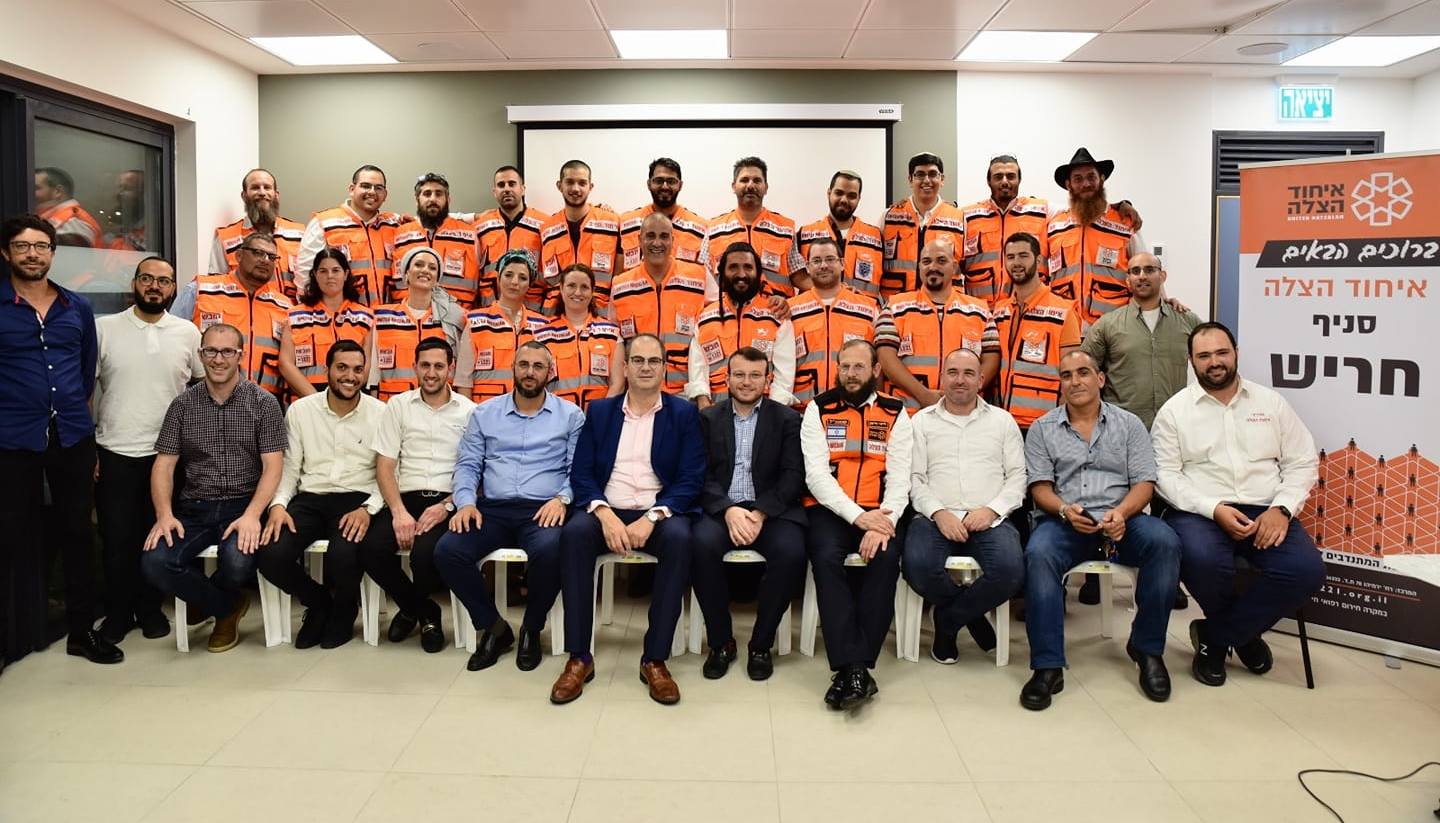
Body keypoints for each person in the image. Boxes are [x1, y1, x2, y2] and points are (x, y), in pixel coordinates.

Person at [1152, 322, 1324, 688]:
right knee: (1202, 560)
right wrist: (1213, 508)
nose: (1214, 362)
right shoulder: (1174, 412)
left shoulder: (1271, 403)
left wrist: (1282, 509)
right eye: (1204, 356)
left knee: (1305, 571)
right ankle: (1243, 636)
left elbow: (1302, 461)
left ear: (1236, 354)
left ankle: (1217, 638)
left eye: (1221, 352)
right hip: (1200, 512)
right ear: (1191, 361)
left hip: (1266, 509)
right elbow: (1165, 476)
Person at [1020, 350, 1181, 709]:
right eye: (1066, 376)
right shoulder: (1043, 428)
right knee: (1038, 553)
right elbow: (1040, 487)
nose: (1075, 381)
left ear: (1100, 379)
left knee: (1165, 542)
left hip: (1123, 520)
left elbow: (1145, 483)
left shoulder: (1129, 425)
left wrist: (1121, 513)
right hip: (1066, 521)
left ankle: (1147, 649)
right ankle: (1048, 665)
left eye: (1083, 373)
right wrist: (1064, 509)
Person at [549, 334, 703, 706]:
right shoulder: (601, 412)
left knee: (681, 539)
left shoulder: (683, 414)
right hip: (608, 509)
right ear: (625, 367)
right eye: (638, 360)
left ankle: (655, 659)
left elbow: (691, 478)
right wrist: (604, 514)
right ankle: (579, 657)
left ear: (665, 368)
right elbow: (582, 473)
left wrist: (652, 517)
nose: (646, 367)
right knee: (574, 534)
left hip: (658, 511)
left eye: (654, 361)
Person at [0, 214, 117, 670]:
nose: (32, 254)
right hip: (12, 439)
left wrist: (77, 420)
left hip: (70, 435)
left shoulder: (76, 307)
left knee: (78, 534)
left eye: (41, 246)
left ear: (52, 253)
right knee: (11, 536)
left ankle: (81, 631)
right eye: (22, 246)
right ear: (6, 253)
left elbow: (86, 371)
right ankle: (9, 637)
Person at [436, 341, 583, 671]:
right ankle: (494, 628)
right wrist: (465, 503)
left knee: (552, 550)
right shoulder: (485, 413)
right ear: (513, 369)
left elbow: (578, 469)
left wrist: (562, 499)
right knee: (448, 551)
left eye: (538, 366)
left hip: (543, 509)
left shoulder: (571, 416)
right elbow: (468, 465)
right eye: (523, 365)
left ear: (550, 372)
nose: (530, 372)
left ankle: (532, 628)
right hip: (492, 509)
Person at [141, 322, 286, 653]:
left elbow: (273, 466)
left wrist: (253, 515)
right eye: (211, 351)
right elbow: (164, 465)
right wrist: (164, 515)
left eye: (227, 352)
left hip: (244, 506)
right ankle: (225, 607)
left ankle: (209, 602)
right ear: (200, 355)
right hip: (195, 508)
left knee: (238, 563)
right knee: (154, 562)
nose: (218, 359)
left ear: (240, 356)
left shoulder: (264, 403)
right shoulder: (182, 405)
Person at [93, 256, 203, 644]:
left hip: (170, 455)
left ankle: (151, 609)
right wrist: (89, 448)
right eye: (147, 279)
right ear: (135, 283)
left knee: (160, 534)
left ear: (172, 288)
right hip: (116, 449)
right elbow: (86, 389)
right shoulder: (105, 329)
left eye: (163, 281)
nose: (155, 286)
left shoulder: (187, 332)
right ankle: (118, 614)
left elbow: (201, 386)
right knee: (117, 538)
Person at [1082, 251, 1199, 609]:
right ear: (1127, 279)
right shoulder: (1108, 325)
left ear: (1163, 275)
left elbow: (1208, 364)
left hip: (1171, 431)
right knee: (1109, 499)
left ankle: (1168, 577)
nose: (1142, 276)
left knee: (1168, 503)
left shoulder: (1187, 321)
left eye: (1150, 269)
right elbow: (1084, 371)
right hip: (1120, 431)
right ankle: (1095, 574)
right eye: (1135, 271)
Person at [800, 339, 912, 710]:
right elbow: (816, 476)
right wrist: (858, 517)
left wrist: (883, 522)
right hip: (830, 510)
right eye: (845, 366)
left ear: (876, 370)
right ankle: (856, 668)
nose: (850, 374)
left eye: (859, 367)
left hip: (881, 511)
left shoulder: (896, 412)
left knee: (886, 560)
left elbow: (901, 477)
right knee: (826, 559)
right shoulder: (818, 409)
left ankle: (852, 669)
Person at [257, 340, 385, 649]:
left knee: (344, 555)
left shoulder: (381, 413)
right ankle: (319, 603)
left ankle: (344, 610)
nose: (350, 376)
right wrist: (278, 505)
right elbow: (290, 468)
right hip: (311, 497)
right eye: (342, 368)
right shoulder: (301, 411)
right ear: (327, 369)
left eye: (358, 369)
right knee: (270, 554)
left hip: (356, 498)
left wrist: (369, 508)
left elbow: (390, 473)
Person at [692, 348, 807, 681]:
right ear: (727, 378)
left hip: (770, 511)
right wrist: (728, 509)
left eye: (755, 375)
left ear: (767, 380)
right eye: (739, 374)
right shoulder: (708, 418)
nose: (746, 382)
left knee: (792, 552)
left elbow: (793, 475)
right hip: (721, 510)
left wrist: (760, 513)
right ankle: (721, 642)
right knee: (698, 545)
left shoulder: (787, 420)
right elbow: (698, 473)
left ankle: (761, 644)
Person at [905, 347, 1025, 664]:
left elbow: (1017, 477)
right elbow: (914, 478)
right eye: (953, 373)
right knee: (917, 566)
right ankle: (971, 617)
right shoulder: (921, 422)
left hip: (990, 518)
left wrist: (992, 510)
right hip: (934, 517)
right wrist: (938, 513)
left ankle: (947, 620)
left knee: (1011, 571)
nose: (960, 380)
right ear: (941, 377)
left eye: (969, 373)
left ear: (981, 380)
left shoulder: (1002, 421)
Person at [361, 337, 476, 654]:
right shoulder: (398, 406)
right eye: (425, 365)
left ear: (451, 368)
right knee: (370, 548)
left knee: (426, 554)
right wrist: (399, 512)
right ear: (414, 366)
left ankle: (415, 613)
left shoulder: (470, 412)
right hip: (405, 497)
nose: (431, 372)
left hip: (448, 500)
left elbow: (476, 471)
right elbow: (385, 465)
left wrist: (446, 506)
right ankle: (424, 611)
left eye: (439, 366)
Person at [876, 237, 1000, 411]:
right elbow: (885, 357)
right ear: (919, 267)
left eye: (941, 261)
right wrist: (922, 394)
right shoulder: (894, 307)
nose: (933, 267)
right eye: (926, 261)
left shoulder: (980, 311)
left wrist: (959, 395)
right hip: (907, 415)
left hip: (964, 414)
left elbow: (992, 359)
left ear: (954, 267)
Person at [172, 231, 293, 399]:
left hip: (263, 404)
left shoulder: (285, 306)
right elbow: (172, 345)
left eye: (272, 257)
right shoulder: (200, 290)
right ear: (239, 255)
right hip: (205, 401)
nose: (265, 260)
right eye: (258, 253)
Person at [687, 241, 796, 409]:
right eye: (733, 267)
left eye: (748, 267)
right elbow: (697, 371)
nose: (741, 274)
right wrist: (704, 404)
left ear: (758, 273)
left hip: (764, 413)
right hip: (715, 413)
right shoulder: (705, 318)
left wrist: (770, 414)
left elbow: (784, 377)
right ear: (722, 273)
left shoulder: (776, 316)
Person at [608, 211, 708, 395]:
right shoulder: (620, 285)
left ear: (673, 240)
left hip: (685, 393)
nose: (657, 243)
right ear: (639, 240)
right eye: (650, 236)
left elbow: (716, 322)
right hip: (638, 393)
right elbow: (615, 343)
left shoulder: (699, 277)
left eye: (664, 236)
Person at [992, 232, 1082, 432]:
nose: (1016, 263)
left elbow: (1072, 374)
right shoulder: (999, 311)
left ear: (1039, 260)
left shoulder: (1063, 311)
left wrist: (1061, 424)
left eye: (1023, 256)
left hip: (1044, 425)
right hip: (1001, 423)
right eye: (1010, 257)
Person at [1046, 148, 1147, 326]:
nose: (1086, 184)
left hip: (1114, 327)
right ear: (1069, 185)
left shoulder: (1125, 222)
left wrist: (1161, 305)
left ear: (1101, 179)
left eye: (1091, 177)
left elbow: (1146, 271)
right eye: (1078, 179)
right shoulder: (1054, 225)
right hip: (1065, 326)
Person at [788, 236, 884, 409]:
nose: (823, 265)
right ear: (807, 267)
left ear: (842, 264)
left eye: (830, 259)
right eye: (816, 261)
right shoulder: (791, 310)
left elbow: (880, 364)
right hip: (803, 410)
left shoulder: (868, 309)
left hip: (855, 408)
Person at [296, 164, 405, 306]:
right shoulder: (324, 223)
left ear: (385, 195)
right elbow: (305, 275)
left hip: (389, 315)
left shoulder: (395, 224)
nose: (372, 192)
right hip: (344, 316)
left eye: (378, 188)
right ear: (352, 189)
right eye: (365, 186)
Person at [372, 246, 469, 401]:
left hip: (439, 406)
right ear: (406, 273)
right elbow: (372, 376)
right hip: (393, 405)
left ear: (437, 278)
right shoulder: (381, 318)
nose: (425, 270)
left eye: (432, 268)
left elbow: (463, 372)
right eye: (418, 265)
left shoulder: (455, 318)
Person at [703, 157, 807, 298]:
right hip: (727, 310)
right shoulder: (714, 229)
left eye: (757, 180)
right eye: (744, 180)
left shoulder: (785, 228)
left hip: (774, 309)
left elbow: (799, 276)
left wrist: (831, 291)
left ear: (766, 187)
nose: (751, 185)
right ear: (734, 186)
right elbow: (701, 275)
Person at [957, 155, 1052, 306]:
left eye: (1011, 176)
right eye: (998, 177)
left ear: (1019, 180)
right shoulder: (967, 216)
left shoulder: (1042, 211)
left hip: (1029, 307)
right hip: (980, 309)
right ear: (988, 181)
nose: (1005, 181)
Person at [279, 248, 375, 397]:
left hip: (351, 397)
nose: (330, 276)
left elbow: (367, 364)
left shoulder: (365, 316)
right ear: (315, 275)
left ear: (346, 274)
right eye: (323, 271)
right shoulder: (295, 316)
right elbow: (286, 364)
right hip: (306, 399)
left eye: (336, 270)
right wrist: (316, 400)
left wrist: (345, 396)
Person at [533, 264, 623, 409]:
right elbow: (537, 385)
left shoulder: (611, 333)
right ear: (561, 288)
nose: (578, 292)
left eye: (584, 287)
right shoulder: (542, 336)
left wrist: (600, 415)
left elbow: (617, 384)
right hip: (556, 417)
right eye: (571, 286)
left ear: (592, 291)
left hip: (599, 418)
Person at [465, 250, 547, 403]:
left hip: (529, 409)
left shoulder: (542, 326)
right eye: (508, 275)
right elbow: (464, 380)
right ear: (498, 278)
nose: (514, 282)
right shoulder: (475, 321)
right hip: (485, 409)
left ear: (530, 284)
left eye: (522, 277)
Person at [539, 160, 621, 312]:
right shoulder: (546, 229)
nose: (576, 188)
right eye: (570, 182)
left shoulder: (612, 223)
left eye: (582, 183)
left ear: (590, 187)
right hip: (556, 314)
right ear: (559, 185)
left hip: (600, 313)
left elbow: (620, 276)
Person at [881, 153, 964, 299]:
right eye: (920, 174)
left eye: (932, 174)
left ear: (942, 179)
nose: (926, 180)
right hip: (897, 305)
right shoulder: (888, 217)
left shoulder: (959, 218)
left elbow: (967, 269)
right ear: (910, 179)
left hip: (944, 307)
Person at [392, 172, 483, 307]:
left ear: (448, 200)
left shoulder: (469, 235)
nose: (433, 199)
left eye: (439, 194)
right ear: (417, 200)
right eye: (427, 194)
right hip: (408, 316)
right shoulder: (400, 234)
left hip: (457, 316)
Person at [209, 168, 306, 293]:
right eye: (255, 188)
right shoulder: (226, 237)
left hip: (291, 305)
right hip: (246, 305)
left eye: (267, 187)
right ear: (244, 196)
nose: (262, 192)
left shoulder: (300, 234)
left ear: (276, 195)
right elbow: (217, 287)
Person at [798, 170, 885, 300]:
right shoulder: (804, 234)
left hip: (863, 311)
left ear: (859, 198)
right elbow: (796, 277)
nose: (844, 200)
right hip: (817, 311)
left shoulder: (876, 237)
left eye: (851, 196)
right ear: (829, 193)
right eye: (839, 193)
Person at [475, 165, 548, 311]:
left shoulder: (544, 225)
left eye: (512, 184)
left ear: (523, 189)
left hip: (531, 313)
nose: (506, 189)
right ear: (494, 192)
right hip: (490, 313)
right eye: (501, 185)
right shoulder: (480, 227)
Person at [619, 157, 708, 270]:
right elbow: (618, 274)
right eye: (659, 181)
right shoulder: (626, 223)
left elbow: (703, 274)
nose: (665, 186)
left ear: (680, 185)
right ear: (649, 184)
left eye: (671, 181)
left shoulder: (701, 228)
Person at [34, 167, 102, 247]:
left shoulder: (72, 222)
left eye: (36, 188)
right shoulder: (53, 216)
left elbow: (70, 254)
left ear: (58, 191)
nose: (28, 191)